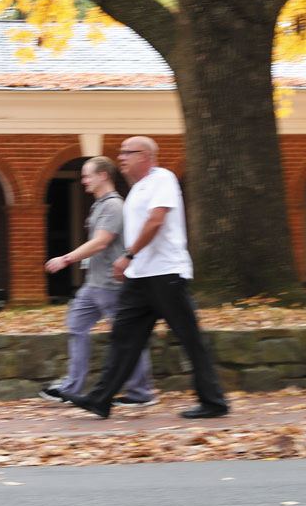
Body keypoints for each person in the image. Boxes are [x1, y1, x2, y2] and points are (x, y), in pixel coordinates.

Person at [63, 136, 228, 421]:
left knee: (190, 338)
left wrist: (128, 255)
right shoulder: (137, 189)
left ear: (147, 156)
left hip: (166, 274)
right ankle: (100, 399)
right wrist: (131, 263)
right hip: (140, 277)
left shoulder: (162, 178)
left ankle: (214, 402)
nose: (122, 157)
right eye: (121, 153)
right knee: (123, 338)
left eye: (128, 152)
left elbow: (156, 220)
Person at [39, 156, 155, 407]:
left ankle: (141, 392)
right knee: (76, 324)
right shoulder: (100, 205)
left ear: (103, 176)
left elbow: (101, 242)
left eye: (87, 175)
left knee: (126, 336)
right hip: (95, 283)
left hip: (112, 285)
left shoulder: (113, 206)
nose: (83, 181)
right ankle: (72, 387)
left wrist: (66, 259)